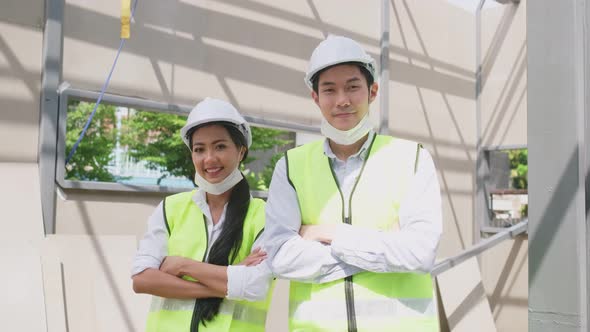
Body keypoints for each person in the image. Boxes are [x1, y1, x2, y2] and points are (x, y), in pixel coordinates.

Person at [264, 35, 443, 331]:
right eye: (329, 90)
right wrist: (385, 244)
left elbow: (419, 253)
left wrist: (328, 233)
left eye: (352, 87)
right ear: (315, 98)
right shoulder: (291, 167)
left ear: (372, 91)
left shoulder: (412, 158)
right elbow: (280, 257)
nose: (342, 100)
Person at [132, 97, 273, 332]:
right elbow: (142, 279)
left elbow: (256, 285)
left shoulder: (265, 216)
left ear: (241, 151)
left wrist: (182, 266)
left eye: (220, 146)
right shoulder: (171, 208)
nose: (209, 158)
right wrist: (226, 281)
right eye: (199, 149)